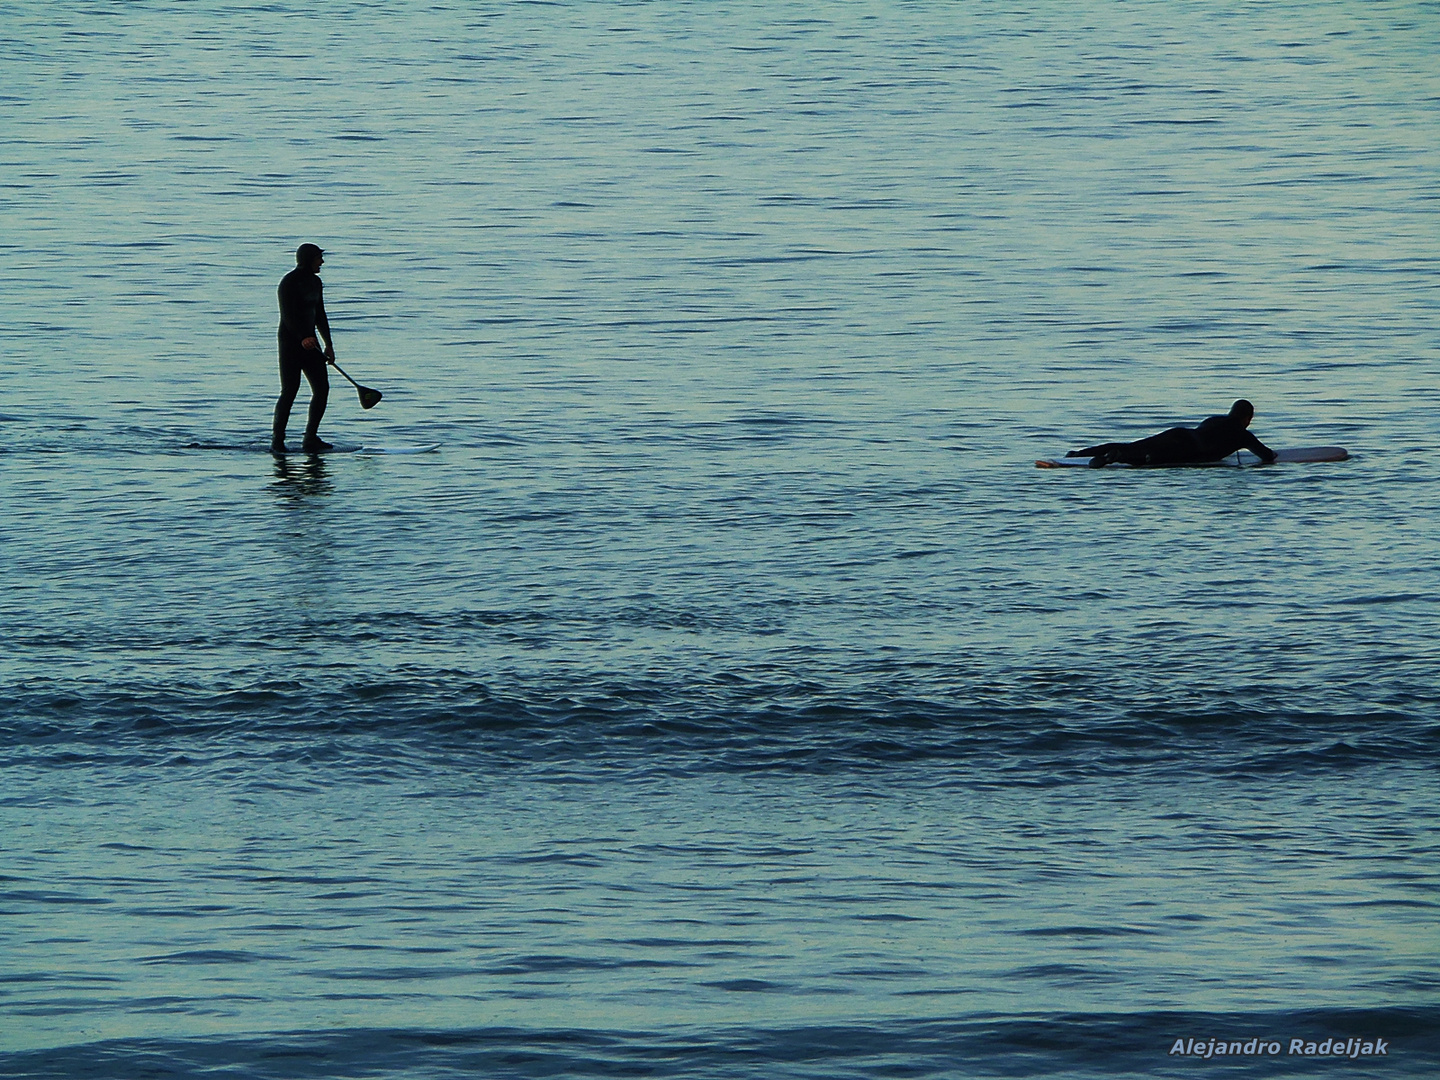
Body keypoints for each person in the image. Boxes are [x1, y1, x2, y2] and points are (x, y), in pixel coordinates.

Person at [1067, 399, 1278, 467]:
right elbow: (1266, 456)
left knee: (1132, 444)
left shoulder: (1213, 419)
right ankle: (1116, 458)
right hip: (1188, 450)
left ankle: (1079, 454)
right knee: (1149, 458)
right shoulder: (1243, 434)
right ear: (1247, 419)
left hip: (1179, 434)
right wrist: (1274, 456)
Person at [273, 243, 336, 453]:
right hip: (290, 344)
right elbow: (288, 316)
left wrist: (328, 343)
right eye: (319, 258)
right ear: (309, 259)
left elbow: (320, 314)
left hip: (312, 345)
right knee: (290, 390)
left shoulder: (316, 283)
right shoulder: (289, 282)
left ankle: (310, 438)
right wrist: (303, 337)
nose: (322, 262)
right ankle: (277, 441)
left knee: (322, 389)